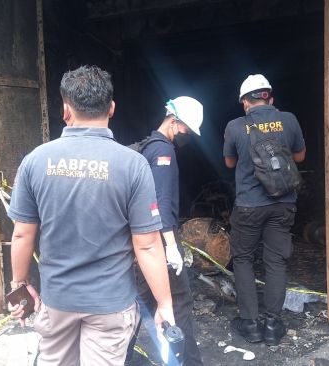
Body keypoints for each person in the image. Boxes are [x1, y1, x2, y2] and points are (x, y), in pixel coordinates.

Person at [7, 65, 175, 366]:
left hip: (57, 301)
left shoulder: (36, 161)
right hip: (110, 305)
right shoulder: (133, 165)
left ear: (65, 110)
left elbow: (22, 234)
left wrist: (19, 286)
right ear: (111, 109)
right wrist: (165, 304)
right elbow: (148, 245)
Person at [223, 74, 306, 346]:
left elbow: (229, 163)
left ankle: (251, 325)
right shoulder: (289, 119)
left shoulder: (236, 126)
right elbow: (300, 156)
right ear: (269, 96)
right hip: (283, 204)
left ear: (244, 102)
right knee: (275, 262)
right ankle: (272, 325)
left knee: (244, 259)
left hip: (248, 205)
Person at [126, 96, 204, 366]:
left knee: (138, 305)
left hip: (142, 241)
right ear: (174, 121)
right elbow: (160, 203)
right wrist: (171, 247)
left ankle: (117, 357)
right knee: (178, 306)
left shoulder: (145, 147)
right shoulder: (163, 151)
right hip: (158, 241)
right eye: (186, 129)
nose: (188, 136)